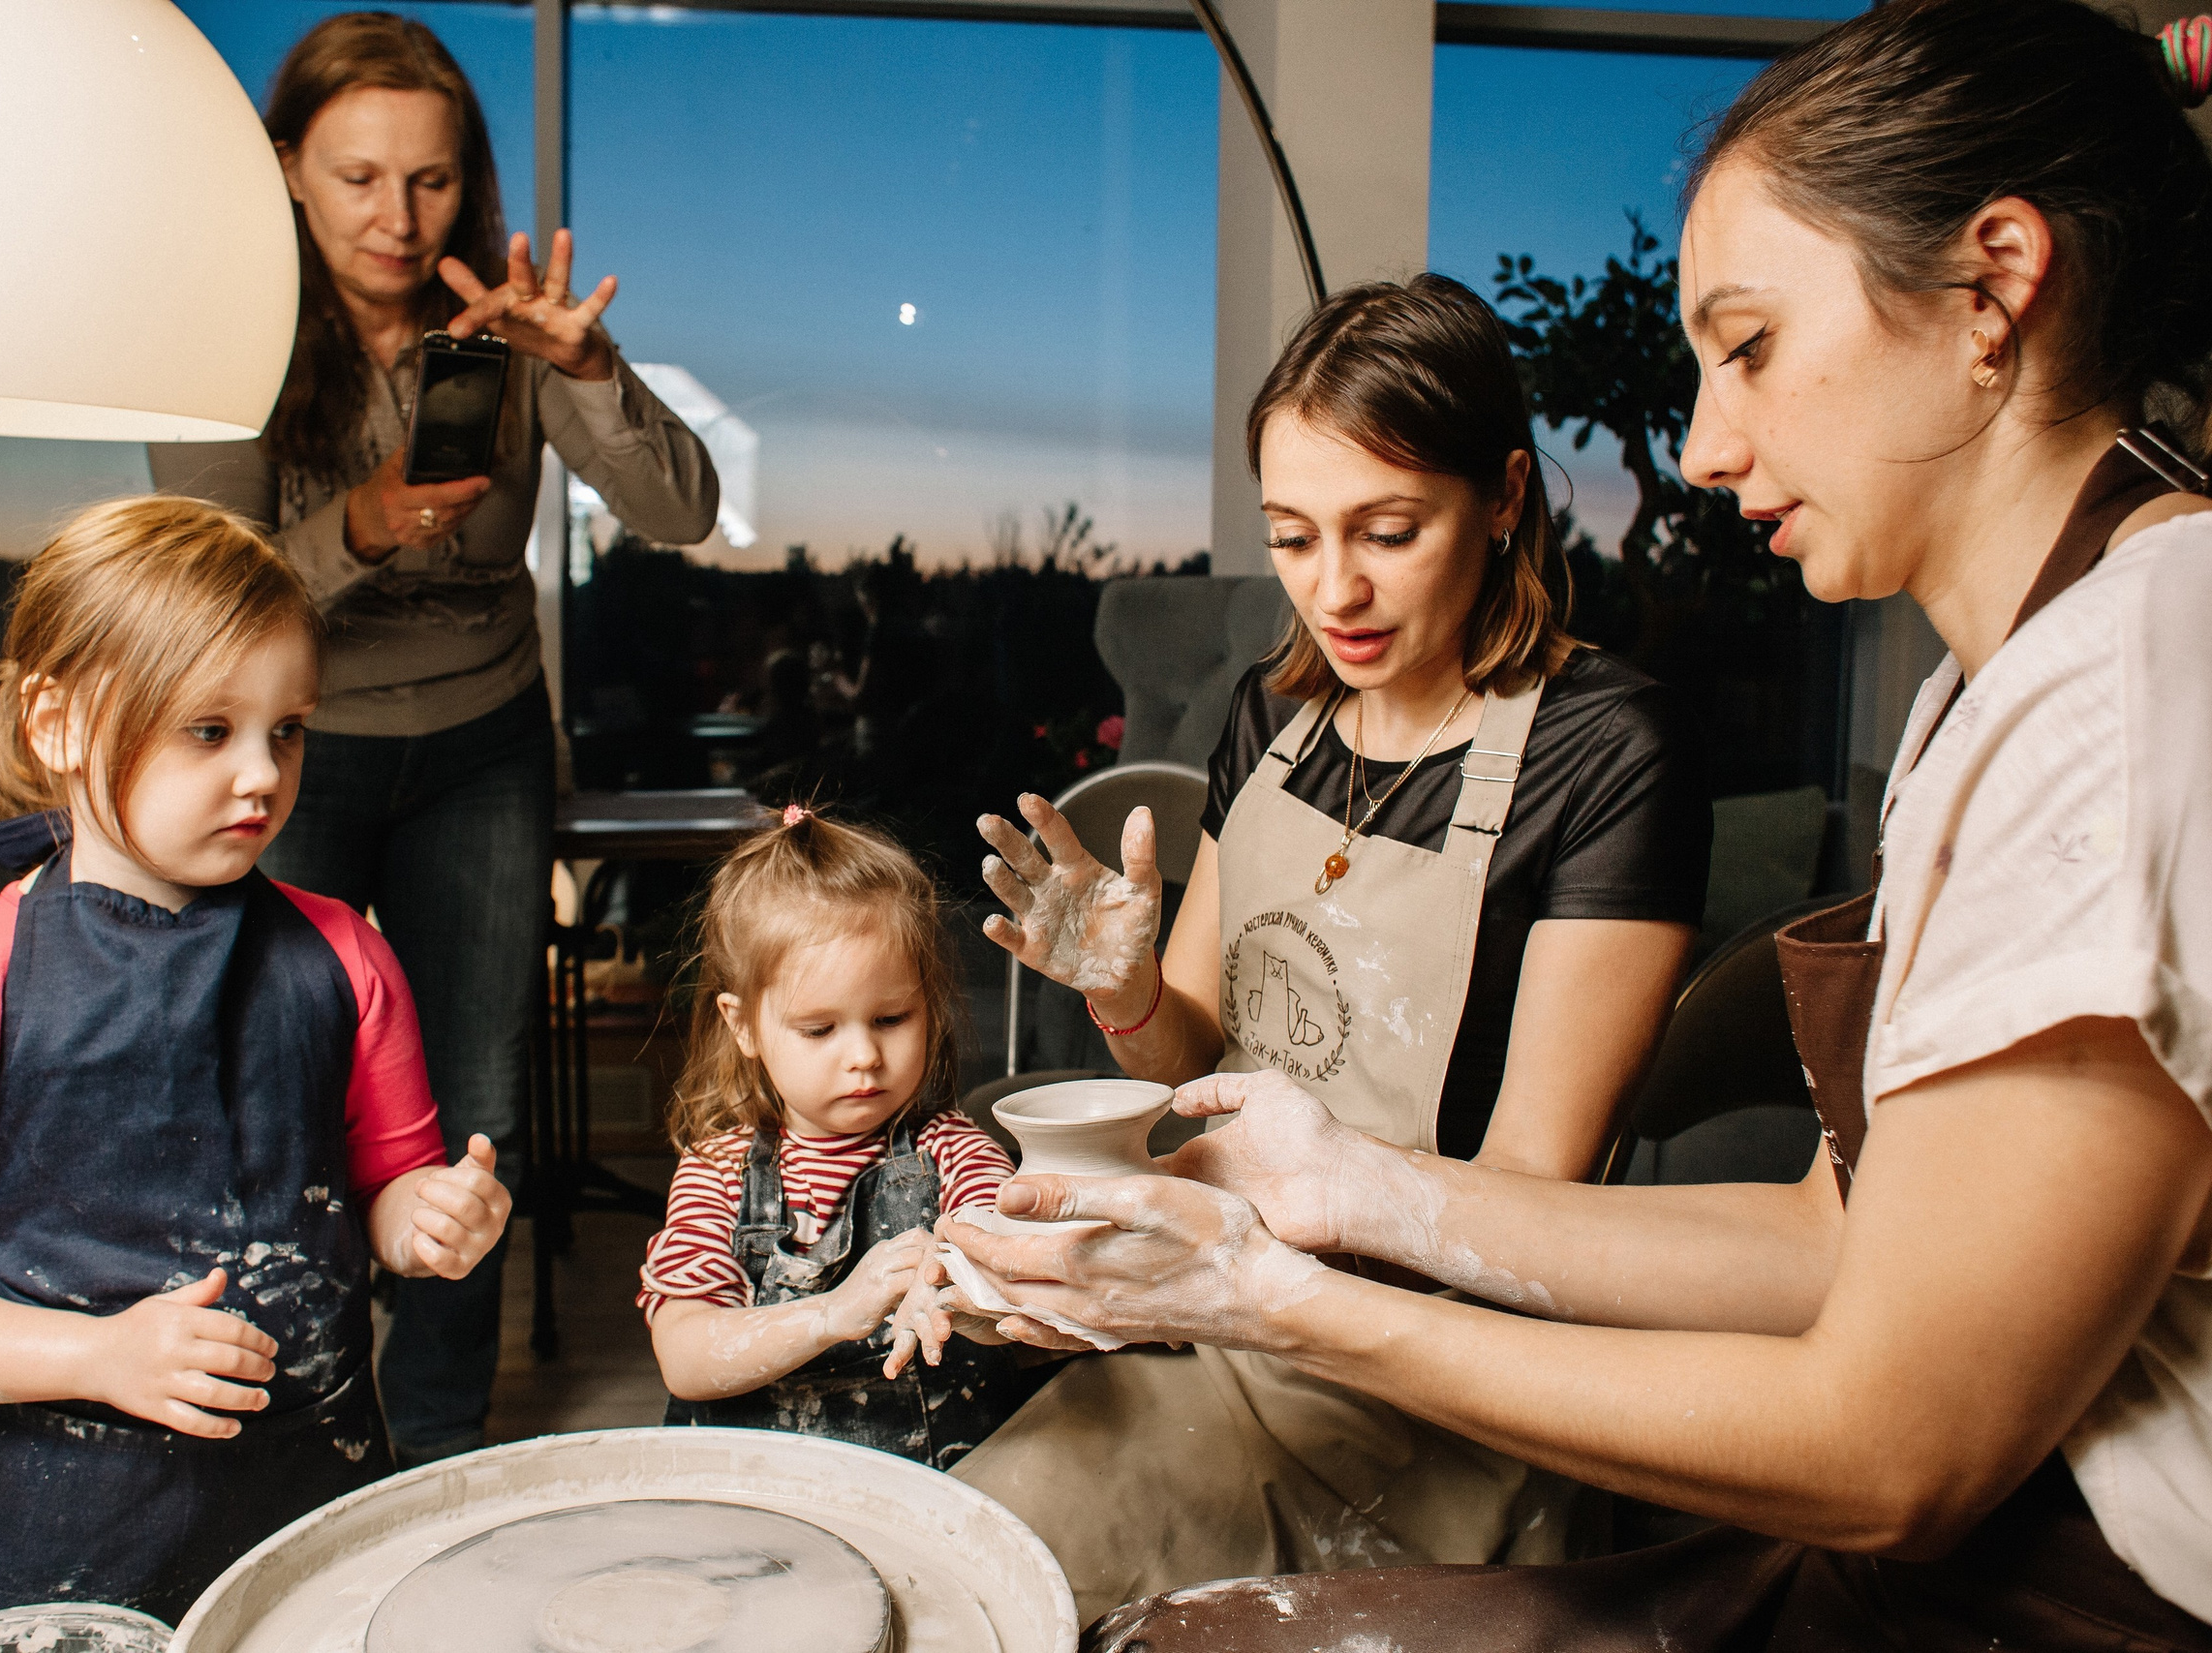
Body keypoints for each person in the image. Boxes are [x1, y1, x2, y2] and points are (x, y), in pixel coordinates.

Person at [948, 2, 2212, 1646]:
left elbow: (1901, 1448)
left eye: (1748, 342)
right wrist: (1336, 1181)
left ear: (1992, 286)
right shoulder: (1989, 691)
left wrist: (1278, 1291)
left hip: (2094, 1581)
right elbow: (1835, 1240)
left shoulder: (2125, 690)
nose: (1703, 442)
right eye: (1294, 534)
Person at [952, 274, 1710, 1615]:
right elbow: (1190, 1048)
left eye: (1391, 529)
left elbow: (1532, 1196)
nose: (1335, 591)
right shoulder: (1276, 717)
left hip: (1440, 1387)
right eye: (1293, 538)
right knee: (976, 1559)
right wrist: (1127, 995)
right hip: (1219, 1315)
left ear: (1508, 496)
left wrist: (1260, 1250)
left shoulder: (1606, 752)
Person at [148, 13, 718, 1465]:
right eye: (357, 179)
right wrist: (363, 523)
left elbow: (683, 511)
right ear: (288, 171)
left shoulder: (506, 328)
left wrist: (586, 367)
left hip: (480, 740)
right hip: (296, 751)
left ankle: (441, 1436)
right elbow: (208, 589)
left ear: (471, 182)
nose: (399, 220)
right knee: (280, 1083)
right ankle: (293, 1405)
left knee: (472, 1099)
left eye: (434, 180)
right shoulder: (225, 318)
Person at [0, 497, 513, 1629]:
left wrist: (427, 1219)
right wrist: (98, 1356)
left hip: (314, 1511)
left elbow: (382, 1192)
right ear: (59, 721)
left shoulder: (346, 955)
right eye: (206, 729)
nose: (261, 776)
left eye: (286, 730)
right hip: (68, 1544)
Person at [639, 806, 1027, 1470]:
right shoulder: (717, 1173)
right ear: (744, 1025)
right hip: (759, 1497)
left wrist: (960, 1277)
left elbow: (1004, 1253)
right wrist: (830, 1313)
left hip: (931, 1491)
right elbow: (685, 1354)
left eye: (891, 1017)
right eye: (819, 1029)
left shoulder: (953, 1149)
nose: (864, 1056)